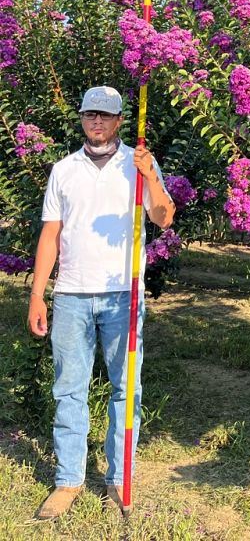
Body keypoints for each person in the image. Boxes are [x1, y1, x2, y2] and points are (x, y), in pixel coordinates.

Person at [27, 85, 175, 521]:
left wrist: (149, 176)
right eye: (90, 114)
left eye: (105, 115)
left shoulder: (139, 163)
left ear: (119, 120)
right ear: (81, 118)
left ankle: (118, 479)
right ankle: (68, 481)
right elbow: (50, 236)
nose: (97, 122)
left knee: (125, 390)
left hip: (122, 294)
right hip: (71, 294)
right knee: (68, 390)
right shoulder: (64, 170)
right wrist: (38, 293)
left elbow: (164, 218)